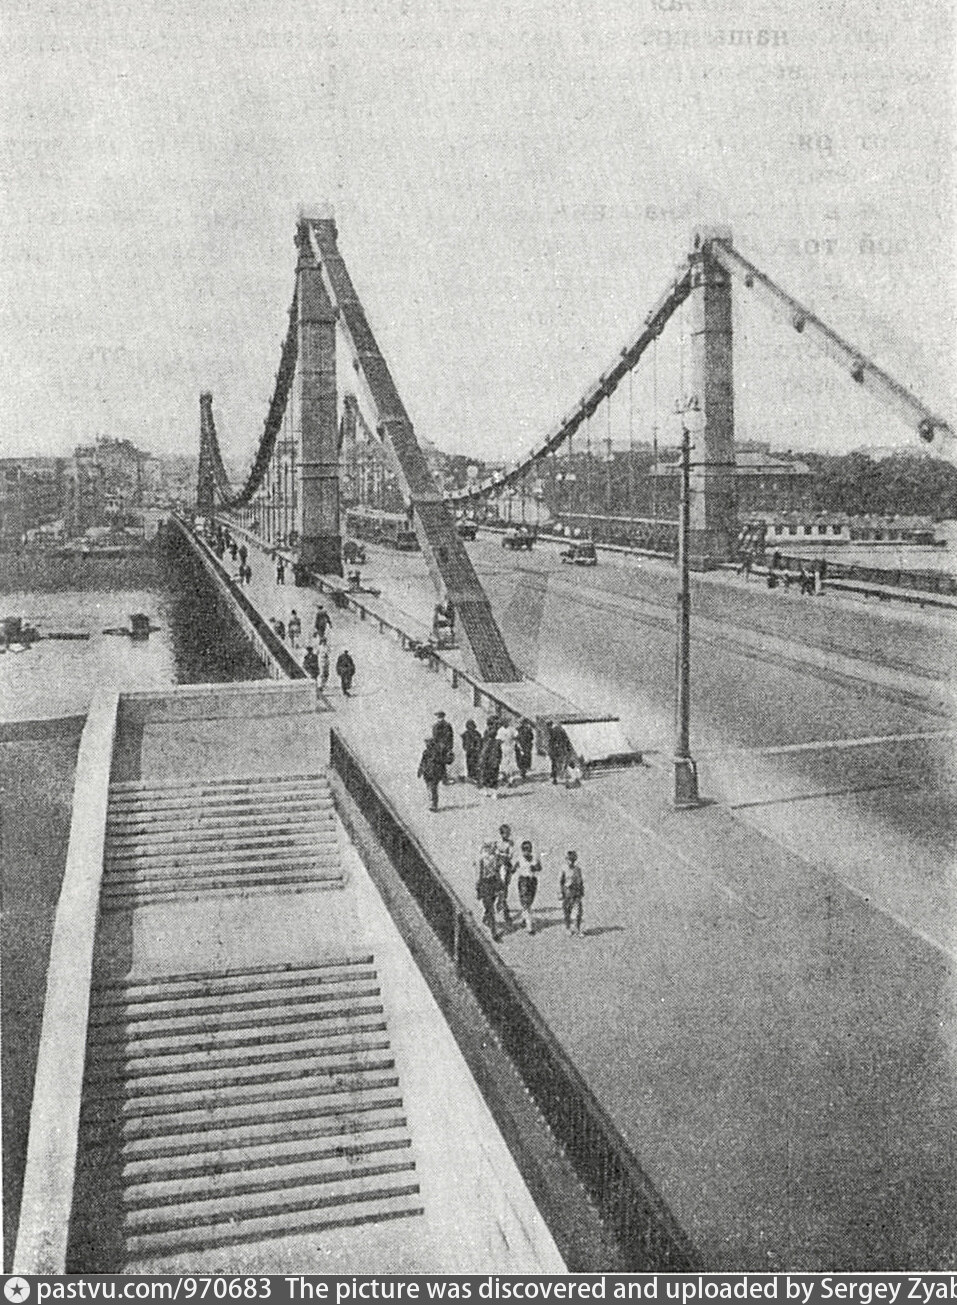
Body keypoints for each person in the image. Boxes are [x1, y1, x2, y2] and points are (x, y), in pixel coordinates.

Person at [476, 842, 502, 941]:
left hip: (492, 883)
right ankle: (494, 932)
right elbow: (479, 875)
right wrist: (478, 888)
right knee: (491, 909)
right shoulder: (482, 860)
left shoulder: (494, 859)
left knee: (490, 905)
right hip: (486, 884)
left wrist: (500, 885)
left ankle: (486, 917)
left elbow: (497, 872)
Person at [516, 840, 542, 934]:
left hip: (532, 881)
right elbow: (513, 869)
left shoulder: (535, 859)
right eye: (525, 849)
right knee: (526, 902)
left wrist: (535, 867)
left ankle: (524, 917)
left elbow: (539, 868)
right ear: (522, 850)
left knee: (529, 901)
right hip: (523, 881)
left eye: (529, 849)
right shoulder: (520, 859)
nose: (527, 851)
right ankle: (529, 926)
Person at [494, 823, 516, 922]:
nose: (507, 835)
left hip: (506, 867)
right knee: (500, 887)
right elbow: (494, 853)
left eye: (508, 833)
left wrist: (500, 855)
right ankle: (503, 906)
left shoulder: (510, 844)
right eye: (505, 833)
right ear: (501, 834)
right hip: (498, 867)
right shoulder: (497, 843)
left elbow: (510, 855)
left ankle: (502, 904)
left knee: (504, 887)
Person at [560, 850, 584, 935]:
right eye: (569, 860)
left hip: (576, 892)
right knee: (567, 911)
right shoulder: (564, 869)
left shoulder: (577, 869)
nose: (570, 862)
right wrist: (561, 892)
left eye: (572, 860)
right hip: (567, 892)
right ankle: (568, 928)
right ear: (566, 860)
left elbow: (580, 881)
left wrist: (581, 891)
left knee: (578, 912)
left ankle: (577, 928)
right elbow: (561, 881)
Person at [417, 736, 444, 812]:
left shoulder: (437, 752)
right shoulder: (426, 752)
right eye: (427, 743)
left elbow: (441, 762)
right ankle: (432, 803)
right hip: (427, 773)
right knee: (429, 788)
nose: (427, 745)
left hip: (434, 773)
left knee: (433, 788)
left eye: (429, 743)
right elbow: (423, 762)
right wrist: (420, 770)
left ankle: (434, 804)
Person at [478, 722, 502, 796]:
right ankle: (494, 793)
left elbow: (483, 754)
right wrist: (498, 761)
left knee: (485, 776)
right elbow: (500, 754)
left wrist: (481, 762)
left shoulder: (486, 743)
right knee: (494, 777)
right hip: (495, 763)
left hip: (487, 763)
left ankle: (486, 791)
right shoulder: (497, 742)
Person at [432, 710, 455, 784]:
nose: (438, 717)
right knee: (440, 763)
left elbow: (450, 737)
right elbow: (434, 737)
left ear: (443, 716)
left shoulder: (446, 725)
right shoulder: (436, 725)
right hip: (439, 747)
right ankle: (443, 778)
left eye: (439, 716)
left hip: (443, 747)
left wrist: (449, 747)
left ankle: (444, 779)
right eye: (438, 716)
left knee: (442, 762)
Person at [547, 721, 572, 785]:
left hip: (555, 750)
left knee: (555, 764)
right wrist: (568, 748)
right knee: (562, 764)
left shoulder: (552, 731)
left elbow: (550, 741)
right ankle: (563, 778)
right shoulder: (562, 730)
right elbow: (567, 740)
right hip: (561, 750)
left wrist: (550, 750)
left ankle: (555, 779)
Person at [461, 719, 483, 784]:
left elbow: (480, 742)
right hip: (469, 752)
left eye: (472, 725)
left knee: (476, 764)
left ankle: (476, 777)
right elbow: (464, 743)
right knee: (469, 764)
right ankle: (470, 776)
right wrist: (466, 748)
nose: (471, 727)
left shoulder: (477, 733)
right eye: (469, 725)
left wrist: (477, 749)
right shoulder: (465, 734)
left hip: (476, 752)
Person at [498, 720, 518, 788]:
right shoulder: (500, 730)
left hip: (511, 747)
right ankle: (505, 777)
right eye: (503, 722)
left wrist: (512, 740)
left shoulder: (512, 729)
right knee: (504, 763)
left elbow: (516, 736)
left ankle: (511, 779)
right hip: (503, 748)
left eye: (506, 722)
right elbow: (498, 739)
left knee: (511, 763)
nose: (505, 723)